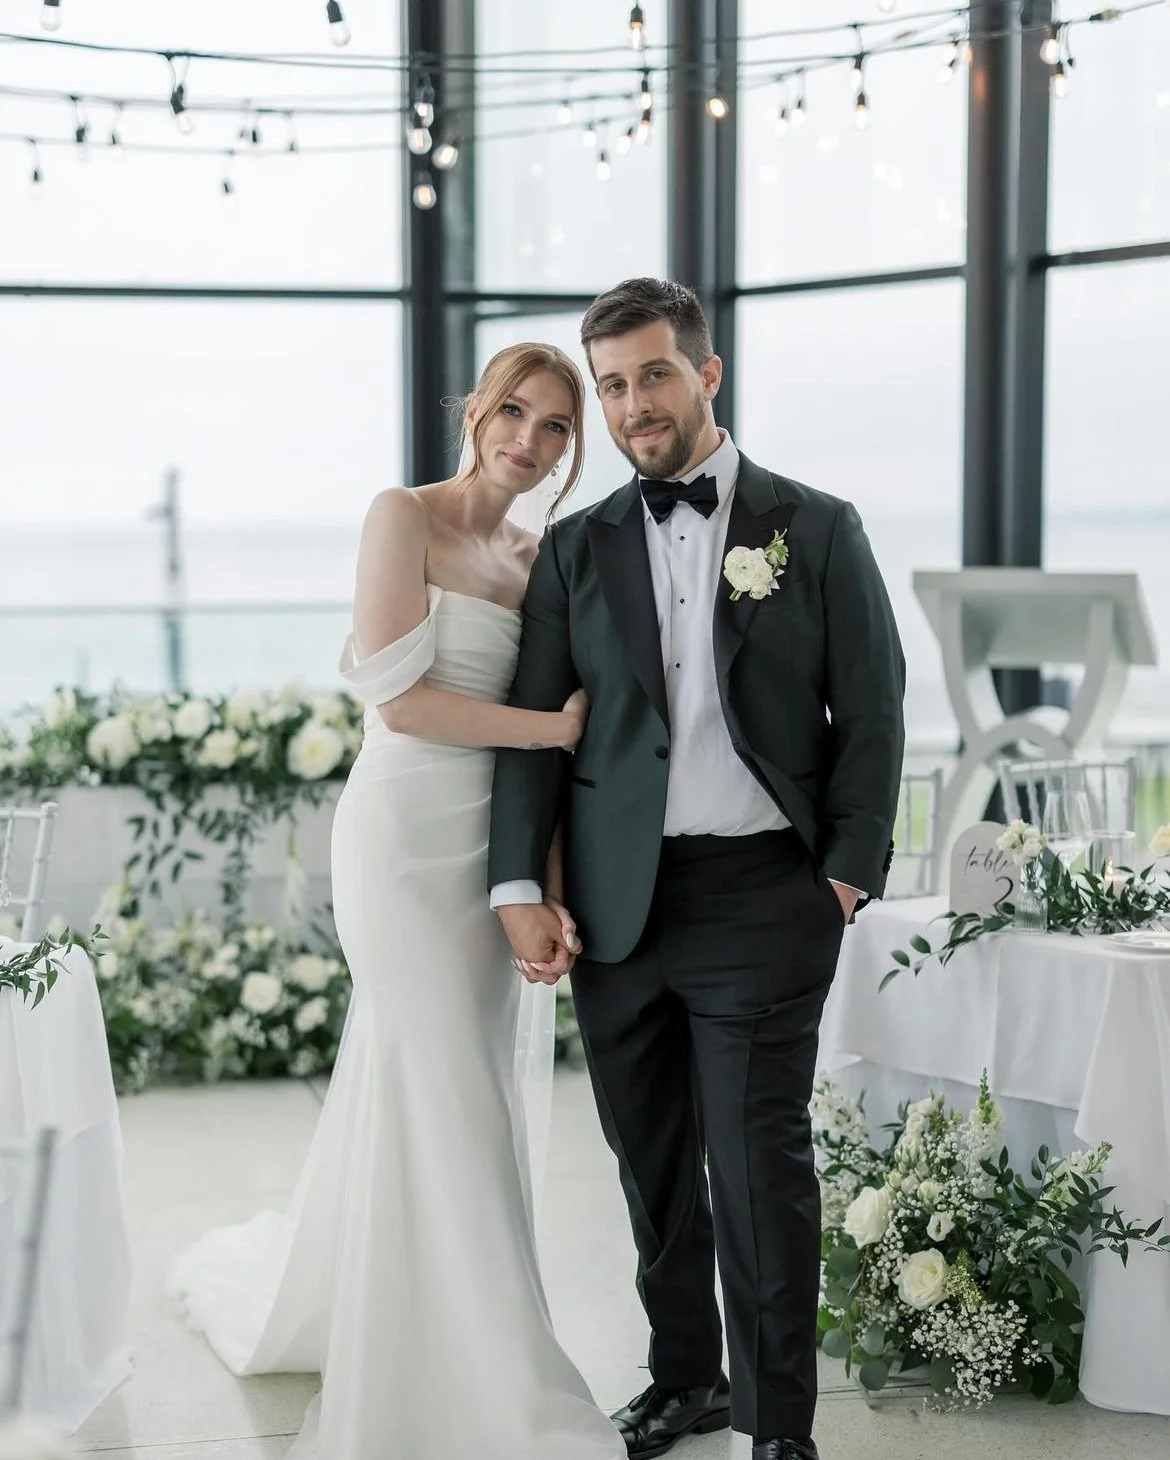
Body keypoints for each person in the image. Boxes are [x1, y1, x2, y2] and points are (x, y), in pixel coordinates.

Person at [167, 342, 625, 1460]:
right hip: (402, 839)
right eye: (514, 410)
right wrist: (552, 725)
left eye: (558, 426)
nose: (529, 438)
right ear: (475, 410)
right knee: (448, 1088)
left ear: (574, 448)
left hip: (497, 851)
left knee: (439, 1088)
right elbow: (403, 701)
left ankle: (414, 1314)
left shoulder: (539, 556)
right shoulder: (401, 515)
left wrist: (547, 881)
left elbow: (551, 770)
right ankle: (490, 1376)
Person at [488, 279, 907, 1460]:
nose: (633, 405)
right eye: (612, 385)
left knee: (762, 1174)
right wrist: (520, 887)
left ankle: (779, 1427)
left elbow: (873, 715)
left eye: (653, 375)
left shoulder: (817, 526)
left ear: (707, 374)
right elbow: (540, 724)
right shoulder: (576, 548)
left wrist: (841, 878)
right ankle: (687, 1381)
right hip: (618, 910)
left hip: (768, 901)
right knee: (656, 1169)